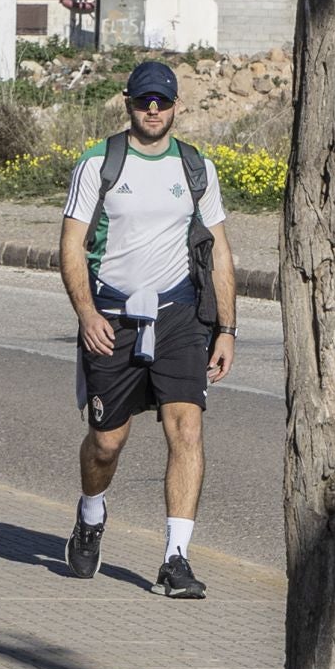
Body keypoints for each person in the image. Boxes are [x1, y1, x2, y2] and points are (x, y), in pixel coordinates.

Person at [61, 60, 236, 600]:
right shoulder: (100, 163)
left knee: (186, 430)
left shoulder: (195, 166)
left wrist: (227, 328)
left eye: (162, 101)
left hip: (180, 316)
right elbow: (71, 246)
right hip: (111, 314)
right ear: (128, 102)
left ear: (177, 105)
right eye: (144, 101)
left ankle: (176, 558)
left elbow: (221, 251)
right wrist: (87, 314)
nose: (153, 110)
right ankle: (91, 512)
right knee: (107, 442)